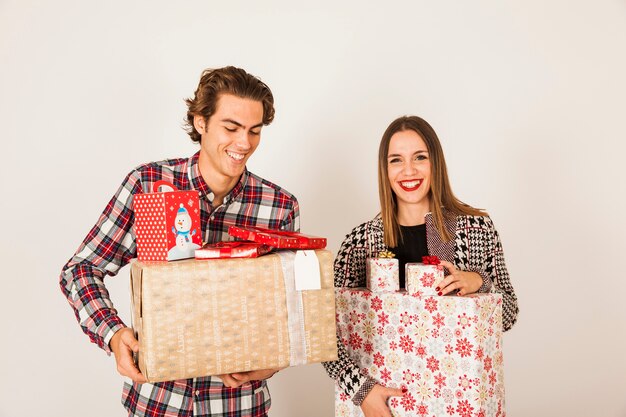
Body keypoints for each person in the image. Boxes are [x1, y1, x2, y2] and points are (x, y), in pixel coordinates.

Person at [59, 66, 299, 417]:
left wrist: (275, 361)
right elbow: (80, 270)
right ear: (200, 121)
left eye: (254, 130)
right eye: (231, 128)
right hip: (159, 402)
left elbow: (290, 308)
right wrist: (113, 334)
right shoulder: (148, 184)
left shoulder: (278, 206)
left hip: (238, 405)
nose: (244, 143)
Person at [322, 115, 518, 417]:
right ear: (384, 170)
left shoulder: (476, 228)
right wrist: (361, 392)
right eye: (396, 160)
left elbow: (508, 315)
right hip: (382, 405)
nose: (408, 170)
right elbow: (323, 329)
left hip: (456, 401)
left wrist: (480, 283)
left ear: (435, 163)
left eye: (420, 157)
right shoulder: (361, 241)